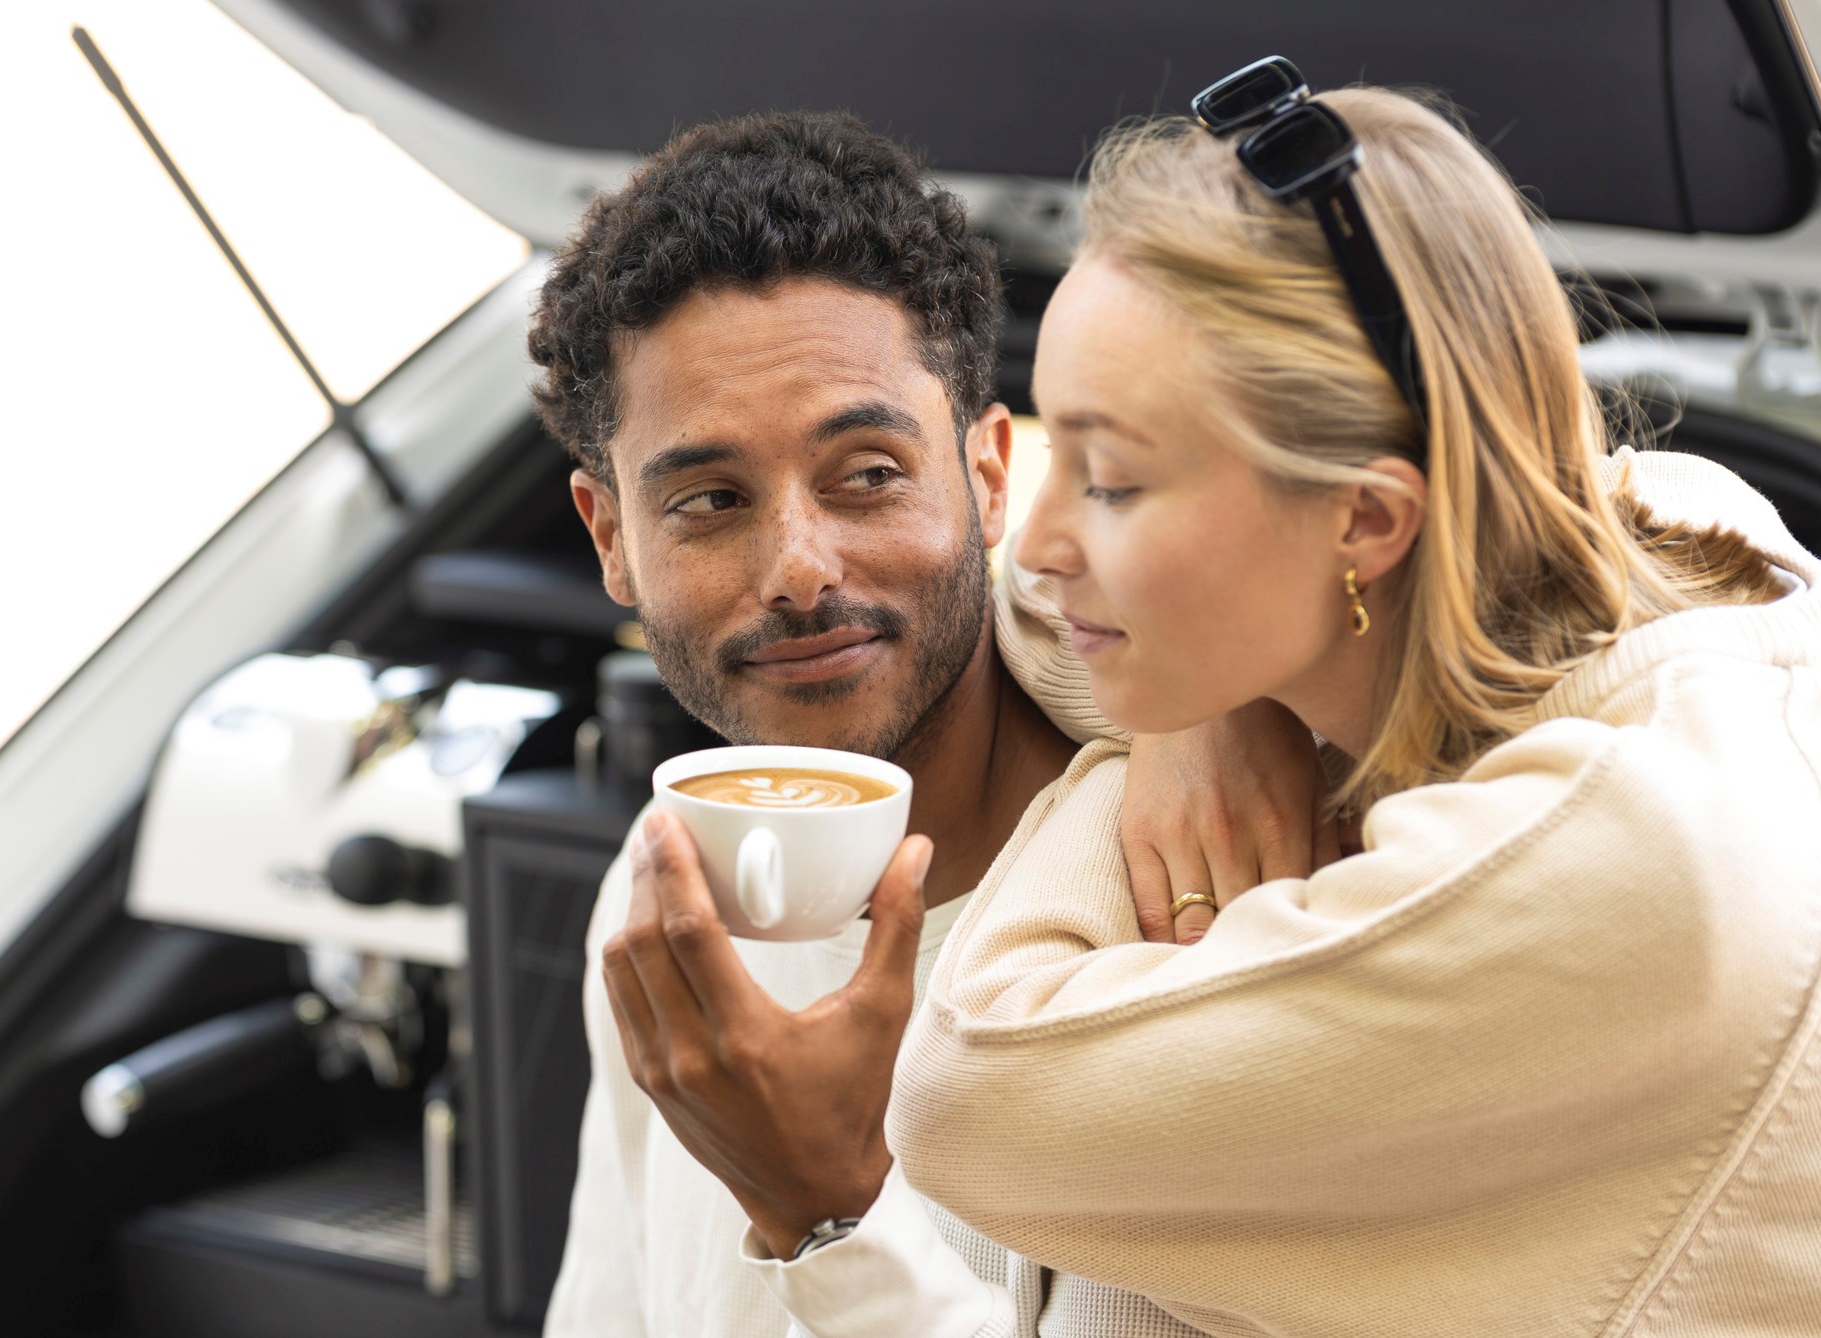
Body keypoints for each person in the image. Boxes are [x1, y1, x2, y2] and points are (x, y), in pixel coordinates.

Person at [875, 69, 1821, 1336]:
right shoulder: (1664, 522)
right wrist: (1195, 712)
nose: (1033, 546)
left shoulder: (1624, 848)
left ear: (1367, 520)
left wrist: (1136, 759)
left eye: (1112, 482)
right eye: (1057, 448)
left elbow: (964, 1097)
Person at [530, 110, 1321, 1337]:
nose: (799, 569)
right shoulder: (657, 900)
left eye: (868, 474)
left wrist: (828, 1214)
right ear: (608, 538)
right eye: (708, 500)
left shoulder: (1199, 888)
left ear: (990, 476)